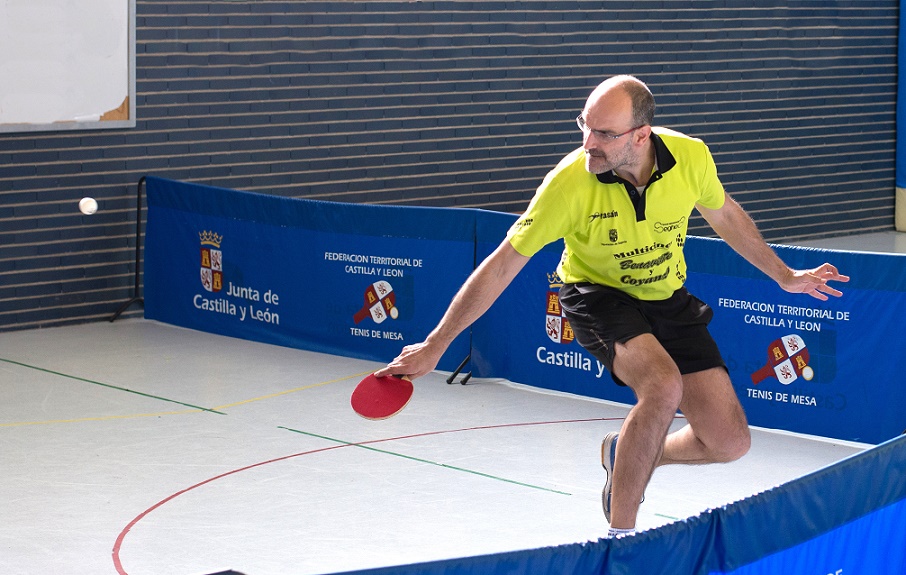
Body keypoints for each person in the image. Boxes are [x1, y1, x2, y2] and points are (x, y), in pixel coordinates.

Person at [374, 75, 849, 537]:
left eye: (604, 133)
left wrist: (786, 276)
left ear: (642, 135)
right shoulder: (569, 183)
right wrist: (437, 344)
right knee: (661, 387)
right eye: (584, 125)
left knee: (729, 442)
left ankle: (628, 452)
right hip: (595, 295)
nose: (589, 142)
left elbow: (724, 214)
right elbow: (501, 266)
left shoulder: (690, 157)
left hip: (666, 296)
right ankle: (620, 542)